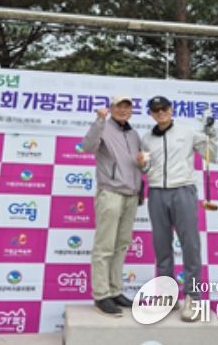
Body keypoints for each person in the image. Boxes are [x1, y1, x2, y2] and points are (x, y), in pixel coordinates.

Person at [138, 95, 217, 322]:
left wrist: (211, 134)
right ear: (151, 114)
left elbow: (211, 154)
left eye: (164, 108)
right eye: (156, 110)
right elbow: (147, 168)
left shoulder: (187, 131)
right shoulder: (146, 139)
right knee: (162, 247)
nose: (160, 113)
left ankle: (193, 297)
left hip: (183, 190)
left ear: (171, 110)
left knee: (190, 245)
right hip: (156, 193)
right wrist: (142, 165)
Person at [82, 94, 142, 316]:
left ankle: (115, 290)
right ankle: (101, 294)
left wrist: (140, 186)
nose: (123, 110)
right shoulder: (103, 127)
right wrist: (99, 121)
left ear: (131, 110)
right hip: (110, 193)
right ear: (111, 108)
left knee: (121, 245)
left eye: (127, 106)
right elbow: (87, 146)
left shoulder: (134, 134)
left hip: (131, 196)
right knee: (104, 246)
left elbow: (136, 165)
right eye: (119, 106)